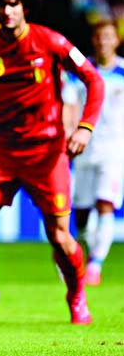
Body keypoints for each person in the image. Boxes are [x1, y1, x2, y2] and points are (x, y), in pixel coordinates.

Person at [0, 0, 104, 325]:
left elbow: (93, 79)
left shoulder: (50, 42)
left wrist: (85, 127)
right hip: (1, 152)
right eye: (1, 5)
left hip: (47, 154)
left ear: (25, 6)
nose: (7, 11)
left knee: (60, 238)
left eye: (13, 4)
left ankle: (76, 295)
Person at [62, 19, 124, 286]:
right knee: (83, 212)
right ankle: (89, 255)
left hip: (114, 148)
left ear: (116, 40)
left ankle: (96, 264)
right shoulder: (80, 71)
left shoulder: (123, 70)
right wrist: (68, 134)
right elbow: (69, 105)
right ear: (94, 40)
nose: (103, 42)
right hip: (84, 147)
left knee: (105, 203)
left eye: (108, 36)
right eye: (99, 37)